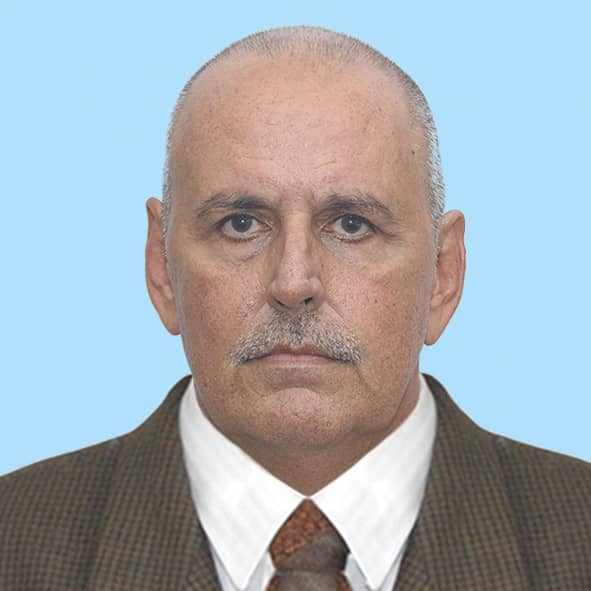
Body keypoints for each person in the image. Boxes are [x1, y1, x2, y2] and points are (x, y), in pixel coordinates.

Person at [1, 25, 590, 591]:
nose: (293, 282)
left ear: (443, 273)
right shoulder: (13, 542)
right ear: (161, 267)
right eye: (241, 224)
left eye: (352, 225)